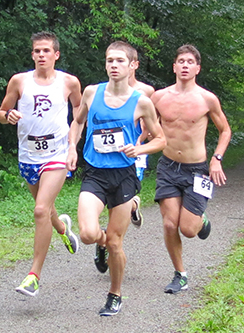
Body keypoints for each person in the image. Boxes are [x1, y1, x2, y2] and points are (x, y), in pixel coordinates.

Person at [66, 41, 166, 316]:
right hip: (95, 174)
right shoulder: (91, 92)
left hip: (123, 176)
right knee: (88, 233)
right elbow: (78, 121)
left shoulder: (142, 102)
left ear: (133, 65)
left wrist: (140, 148)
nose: (113, 65)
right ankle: (102, 244)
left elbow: (161, 139)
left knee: (116, 242)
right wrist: (71, 147)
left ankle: (115, 294)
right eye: (110, 60)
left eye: (120, 61)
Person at [0, 31, 82, 297]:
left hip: (56, 154)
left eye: (46, 51)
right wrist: (8, 116)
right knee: (44, 210)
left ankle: (33, 275)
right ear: (32, 54)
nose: (41, 55)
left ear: (56, 54)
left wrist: (72, 146)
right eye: (37, 51)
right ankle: (62, 228)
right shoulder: (19, 81)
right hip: (28, 154)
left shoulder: (69, 82)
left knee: (40, 209)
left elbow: (79, 114)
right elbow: (1, 113)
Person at [151, 44, 232, 294]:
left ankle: (200, 219)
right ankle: (180, 274)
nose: (185, 65)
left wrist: (216, 158)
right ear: (174, 66)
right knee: (168, 224)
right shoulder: (159, 97)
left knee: (188, 229)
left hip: (197, 170)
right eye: (181, 61)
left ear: (197, 68)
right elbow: (149, 126)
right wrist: (137, 145)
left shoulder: (207, 99)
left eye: (190, 62)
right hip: (167, 166)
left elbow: (225, 130)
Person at [127, 45, 155, 228]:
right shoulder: (104, 91)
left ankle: (131, 203)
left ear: (135, 65)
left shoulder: (147, 91)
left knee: (125, 193)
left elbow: (150, 123)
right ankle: (133, 205)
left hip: (136, 150)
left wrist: (142, 139)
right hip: (110, 151)